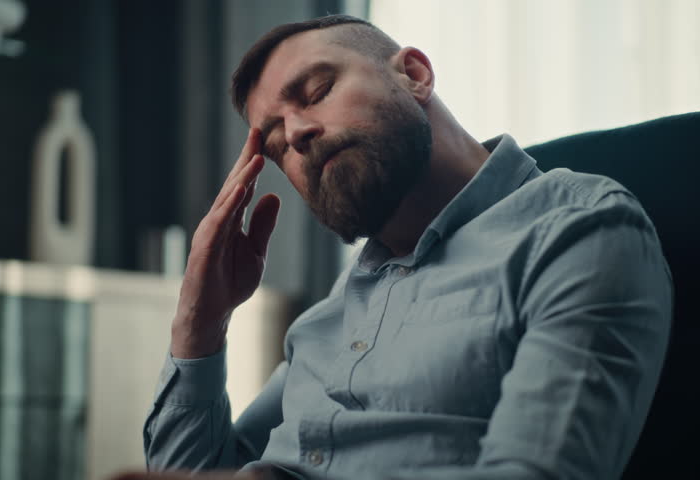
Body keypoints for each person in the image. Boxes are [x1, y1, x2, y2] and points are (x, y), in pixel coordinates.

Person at [137, 14, 672, 480]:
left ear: (414, 75)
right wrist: (200, 321)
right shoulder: (329, 318)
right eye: (276, 145)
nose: (295, 135)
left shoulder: (575, 229)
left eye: (317, 91)